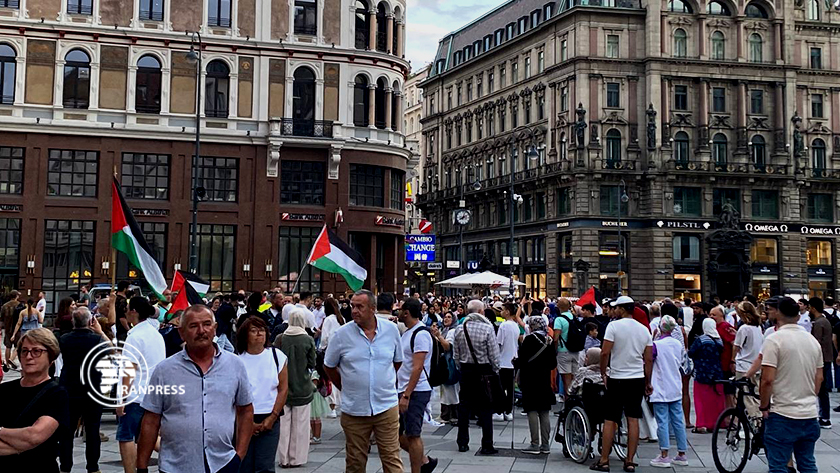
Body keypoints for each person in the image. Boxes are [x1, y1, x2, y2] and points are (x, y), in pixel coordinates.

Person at [137, 305, 254, 473]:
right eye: (193, 326)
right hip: (176, 466)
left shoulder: (235, 365)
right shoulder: (165, 370)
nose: (201, 331)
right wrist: (142, 466)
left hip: (223, 463)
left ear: (215, 329)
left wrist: (239, 455)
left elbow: (246, 411)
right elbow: (151, 420)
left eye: (207, 324)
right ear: (181, 332)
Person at [323, 290, 404, 473]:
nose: (354, 311)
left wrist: (382, 381)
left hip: (386, 405)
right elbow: (329, 366)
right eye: (352, 306)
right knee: (355, 462)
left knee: (392, 458)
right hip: (355, 409)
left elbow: (397, 362)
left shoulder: (391, 330)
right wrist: (345, 387)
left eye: (360, 306)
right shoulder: (341, 334)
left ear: (373, 309)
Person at [591, 296, 653, 473]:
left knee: (610, 419)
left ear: (622, 309)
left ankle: (604, 461)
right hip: (637, 378)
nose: (614, 310)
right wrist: (648, 381)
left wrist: (603, 372)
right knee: (633, 419)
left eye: (616, 308)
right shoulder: (644, 330)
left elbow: (604, 353)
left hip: (617, 377)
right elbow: (648, 359)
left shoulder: (613, 326)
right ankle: (630, 460)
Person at [761, 296, 823, 473]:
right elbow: (819, 378)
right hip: (809, 412)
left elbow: (767, 379)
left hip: (783, 412)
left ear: (778, 313)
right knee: (807, 462)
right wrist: (810, 396)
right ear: (798, 314)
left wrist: (764, 405)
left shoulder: (774, 340)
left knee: (779, 466)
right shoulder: (812, 341)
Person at [0, 328, 69, 472]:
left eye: (36, 351)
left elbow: (34, 436)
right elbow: (28, 441)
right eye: (24, 351)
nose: (29, 356)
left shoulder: (57, 394)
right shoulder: (4, 390)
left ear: (51, 356)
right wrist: (21, 446)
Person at [116, 296, 166, 473]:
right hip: (154, 393)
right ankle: (174, 456)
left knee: (125, 436)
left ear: (134, 311)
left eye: (128, 308)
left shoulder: (135, 337)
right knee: (148, 434)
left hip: (136, 394)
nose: (126, 311)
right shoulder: (155, 332)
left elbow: (129, 369)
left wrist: (121, 399)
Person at [57, 306, 111, 473]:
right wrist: (101, 332)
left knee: (67, 431)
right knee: (93, 430)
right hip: (92, 390)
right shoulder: (97, 340)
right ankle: (93, 467)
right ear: (90, 321)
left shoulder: (64, 339)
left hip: (69, 389)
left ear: (73, 322)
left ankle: (66, 467)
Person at [237, 316, 288, 473]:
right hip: (243, 417)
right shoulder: (237, 359)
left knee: (265, 466)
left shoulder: (276, 356)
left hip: (270, 416)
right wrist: (245, 422)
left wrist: (272, 417)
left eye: (262, 330)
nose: (259, 334)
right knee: (243, 464)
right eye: (254, 331)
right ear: (245, 335)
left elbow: (283, 389)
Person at [396, 298, 438, 473]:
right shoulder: (408, 332)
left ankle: (417, 469)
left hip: (415, 391)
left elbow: (418, 367)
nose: (397, 312)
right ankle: (424, 462)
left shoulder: (420, 334)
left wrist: (407, 394)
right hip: (403, 389)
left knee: (413, 434)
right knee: (395, 435)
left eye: (400, 309)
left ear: (406, 312)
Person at [454, 299, 501, 455]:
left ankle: (462, 442)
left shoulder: (460, 329)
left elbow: (456, 354)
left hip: (466, 370)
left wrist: (461, 367)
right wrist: (495, 370)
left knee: (464, 406)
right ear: (481, 312)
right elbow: (494, 355)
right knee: (486, 407)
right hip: (484, 371)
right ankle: (487, 444)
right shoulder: (487, 329)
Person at [273, 309, 316, 468]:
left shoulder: (280, 338)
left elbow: (274, 361)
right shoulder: (308, 339)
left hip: (282, 387)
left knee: (283, 425)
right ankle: (296, 458)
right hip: (303, 386)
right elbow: (312, 363)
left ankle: (283, 458)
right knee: (301, 425)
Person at [648, 315, 689, 468]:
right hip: (675, 385)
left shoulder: (656, 345)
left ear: (660, 328)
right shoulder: (678, 344)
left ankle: (664, 454)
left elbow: (649, 362)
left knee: (662, 421)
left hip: (660, 385)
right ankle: (682, 453)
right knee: (678, 420)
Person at [517, 316, 557, 455]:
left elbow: (522, 361)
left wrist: (515, 363)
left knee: (532, 410)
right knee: (544, 411)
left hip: (530, 379)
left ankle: (534, 443)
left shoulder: (529, 339)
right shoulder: (549, 340)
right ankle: (545, 444)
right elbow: (553, 363)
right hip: (544, 380)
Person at [688, 318, 724, 433]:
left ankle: (701, 424)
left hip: (702, 373)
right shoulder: (719, 340)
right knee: (714, 400)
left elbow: (691, 353)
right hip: (717, 373)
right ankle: (715, 423)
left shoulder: (701, 340)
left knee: (701, 400)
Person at [732, 301, 764, 419]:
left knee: (745, 396)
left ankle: (752, 421)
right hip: (756, 365)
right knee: (755, 395)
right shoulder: (758, 327)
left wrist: (732, 360)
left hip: (743, 365)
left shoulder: (744, 328)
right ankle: (758, 419)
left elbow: (737, 346)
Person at [808, 297, 833, 428]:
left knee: (821, 388)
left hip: (821, 359)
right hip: (827, 357)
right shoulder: (825, 320)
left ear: (813, 308)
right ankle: (824, 416)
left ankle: (824, 417)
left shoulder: (818, 323)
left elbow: (815, 343)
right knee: (823, 389)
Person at [431, 311, 459, 424]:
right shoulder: (445, 330)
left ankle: (451, 414)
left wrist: (438, 336)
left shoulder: (452, 331)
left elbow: (448, 346)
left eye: (449, 317)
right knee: (446, 390)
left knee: (451, 390)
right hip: (444, 363)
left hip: (450, 364)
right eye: (445, 317)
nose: (446, 319)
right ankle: (446, 414)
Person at [319, 297, 344, 418]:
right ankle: (340, 403)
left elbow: (324, 338)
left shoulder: (328, 320)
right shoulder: (341, 319)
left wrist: (321, 348)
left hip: (329, 350)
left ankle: (332, 406)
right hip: (342, 351)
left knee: (329, 378)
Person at [496, 302, 520, 421]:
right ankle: (508, 411)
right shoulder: (515, 325)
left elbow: (498, 343)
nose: (501, 311)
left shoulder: (503, 326)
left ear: (508, 312)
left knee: (500, 388)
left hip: (503, 360)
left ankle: (499, 411)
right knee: (510, 388)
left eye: (503, 309)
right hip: (512, 360)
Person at [553, 298, 580, 396]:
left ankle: (568, 403)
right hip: (576, 350)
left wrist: (555, 350)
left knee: (566, 380)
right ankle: (574, 402)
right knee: (574, 378)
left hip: (563, 350)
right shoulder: (574, 317)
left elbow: (555, 338)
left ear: (559, 307)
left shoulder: (559, 319)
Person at [2, 290, 20, 371]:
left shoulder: (4, 306)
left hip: (7, 328)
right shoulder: (19, 305)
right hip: (17, 329)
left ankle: (7, 363)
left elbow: (1, 318)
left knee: (7, 346)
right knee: (17, 346)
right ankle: (12, 360)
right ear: (16, 296)